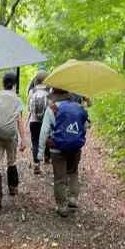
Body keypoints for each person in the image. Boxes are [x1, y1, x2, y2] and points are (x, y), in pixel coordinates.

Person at [38, 88, 89, 217]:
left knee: (60, 178)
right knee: (73, 173)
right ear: (67, 94)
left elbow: (44, 132)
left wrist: (39, 154)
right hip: (74, 148)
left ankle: (62, 206)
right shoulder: (78, 108)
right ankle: (73, 198)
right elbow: (86, 126)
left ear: (54, 96)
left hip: (57, 148)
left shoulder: (52, 109)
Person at [0, 71, 26, 210]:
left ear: (3, 83)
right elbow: (19, 120)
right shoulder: (16, 99)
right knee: (12, 161)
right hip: (11, 136)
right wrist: (23, 139)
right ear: (14, 84)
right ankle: (13, 187)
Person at [28, 70, 51, 174]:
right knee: (47, 138)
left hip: (34, 121)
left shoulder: (32, 91)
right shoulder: (50, 92)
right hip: (46, 120)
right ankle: (47, 157)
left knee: (35, 141)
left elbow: (29, 108)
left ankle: (36, 164)